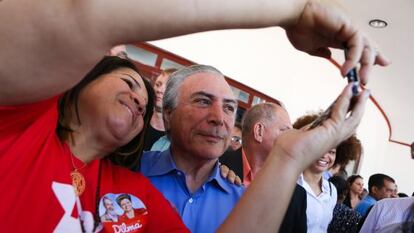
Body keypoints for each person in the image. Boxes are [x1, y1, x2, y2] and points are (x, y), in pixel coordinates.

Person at [0, 0, 388, 232]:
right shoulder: (21, 123)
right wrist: (291, 10)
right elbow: (79, 17)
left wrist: (290, 156)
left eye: (230, 107)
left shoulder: (130, 193)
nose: (139, 100)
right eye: (128, 83)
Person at [0, 56, 189, 232]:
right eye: (128, 83)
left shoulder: (138, 190)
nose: (140, 102)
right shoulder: (26, 125)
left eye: (144, 109)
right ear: (84, 79)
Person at [137, 65, 245, 233]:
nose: (219, 118)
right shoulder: (130, 169)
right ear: (168, 114)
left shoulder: (243, 205)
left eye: (229, 107)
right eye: (203, 101)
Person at [233, 102, 308, 233]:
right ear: (259, 132)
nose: (291, 140)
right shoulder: (213, 168)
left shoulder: (296, 196)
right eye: (285, 131)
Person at [293, 113, 339, 232]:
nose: (325, 156)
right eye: (320, 148)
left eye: (331, 152)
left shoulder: (331, 190)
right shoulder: (290, 183)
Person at [143, 68, 177, 151]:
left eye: (167, 87)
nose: (159, 90)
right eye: (158, 84)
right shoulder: (139, 117)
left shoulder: (177, 138)